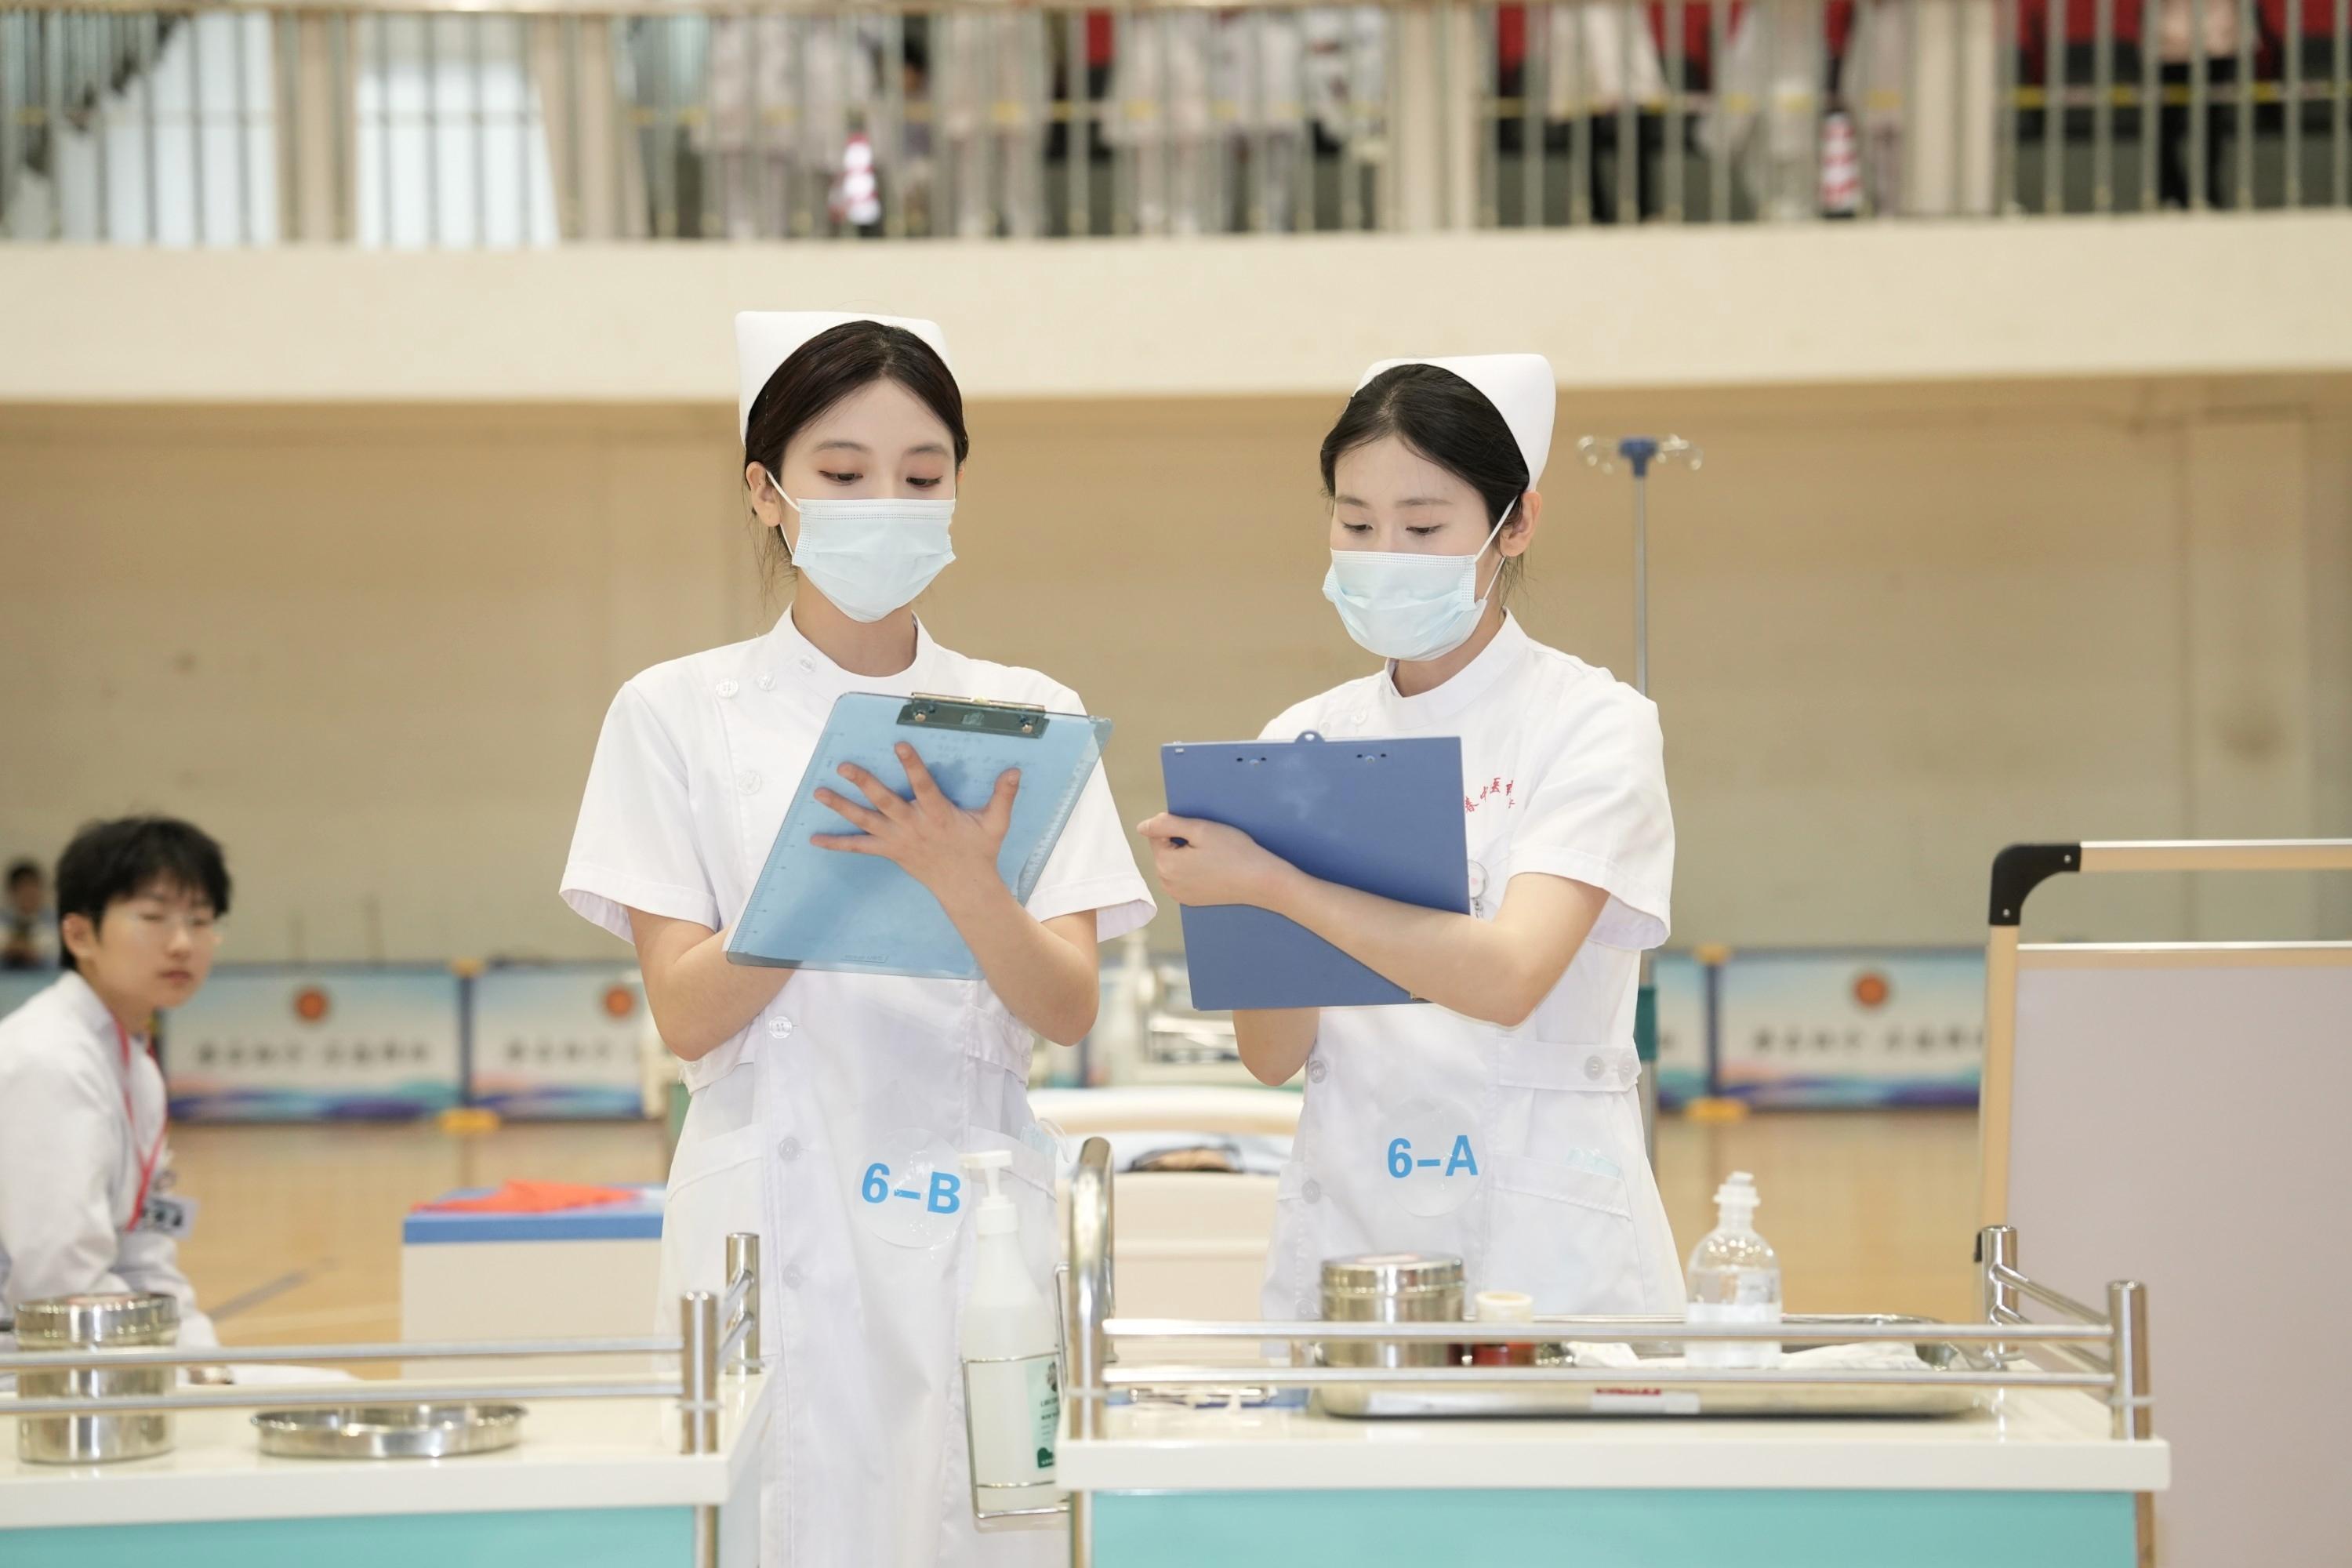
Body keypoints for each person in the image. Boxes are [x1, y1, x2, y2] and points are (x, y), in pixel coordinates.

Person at [560, 311, 1152, 1567]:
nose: (886, 505)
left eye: (922, 477)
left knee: (981, 1524)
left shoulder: (1026, 713)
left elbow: (1065, 1006)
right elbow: (685, 1011)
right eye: (842, 473)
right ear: (765, 493)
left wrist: (963, 878)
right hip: (764, 1224)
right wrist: (832, 866)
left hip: (975, 1224)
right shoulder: (676, 712)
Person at [1140, 354, 1683, 1321]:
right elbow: (1272, 1053)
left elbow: (1509, 976)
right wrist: (1226, 902)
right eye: (1356, 525)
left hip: (1542, 1245)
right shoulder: (1299, 740)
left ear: (1516, 523)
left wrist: (1275, 884)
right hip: (1354, 1231)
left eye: (1424, 528)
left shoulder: (1592, 723)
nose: (1385, 554)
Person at [0, 818, 227, 1352]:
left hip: (86, 1347)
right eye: (152, 917)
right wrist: (175, 1364)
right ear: (79, 935)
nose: (181, 943)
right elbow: (60, 1285)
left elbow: (145, 1254)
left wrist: (204, 1359)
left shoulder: (134, 1067)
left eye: (200, 920)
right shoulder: (48, 1059)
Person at [3, 858, 58, 971]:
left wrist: (37, 955)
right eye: (22, 888)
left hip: (46, 977)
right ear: (12, 892)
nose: (28, 894)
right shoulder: (3, 922)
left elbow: (62, 961)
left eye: (33, 887)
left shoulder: (57, 922)